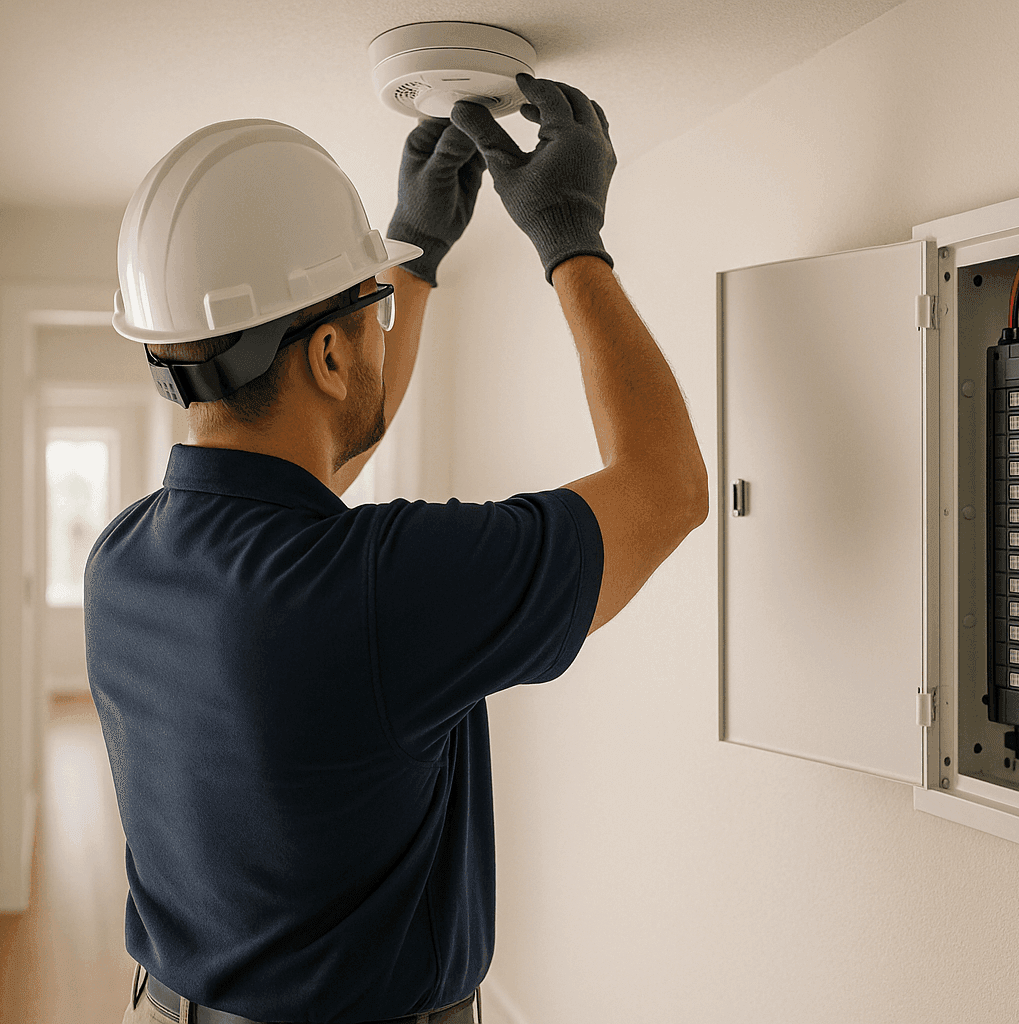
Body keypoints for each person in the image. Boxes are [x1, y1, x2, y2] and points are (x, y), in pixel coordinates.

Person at [89, 74, 707, 1024]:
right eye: (367, 315)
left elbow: (313, 468)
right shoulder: (384, 588)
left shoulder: (127, 559)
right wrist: (571, 238)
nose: (381, 327)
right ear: (333, 356)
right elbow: (666, 491)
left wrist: (411, 263)